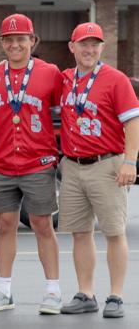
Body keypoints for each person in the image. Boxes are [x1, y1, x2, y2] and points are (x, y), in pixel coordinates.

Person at [0, 13, 64, 314]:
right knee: (4, 225)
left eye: (21, 39)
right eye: (9, 39)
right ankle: (4, 292)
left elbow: (63, 114)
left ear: (33, 40)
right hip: (2, 162)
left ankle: (53, 291)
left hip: (37, 161)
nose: (15, 44)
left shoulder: (50, 72)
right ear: (2, 43)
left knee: (42, 224)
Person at [57, 22, 138, 318]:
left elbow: (132, 122)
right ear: (72, 47)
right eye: (83, 44)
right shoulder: (65, 80)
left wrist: (130, 161)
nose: (89, 50)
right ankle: (86, 293)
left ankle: (115, 296)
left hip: (107, 164)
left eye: (95, 44)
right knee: (80, 233)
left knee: (114, 232)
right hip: (73, 165)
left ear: (102, 47)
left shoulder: (115, 79)